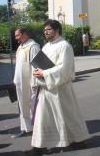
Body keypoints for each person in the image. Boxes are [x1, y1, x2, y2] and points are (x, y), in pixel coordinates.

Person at [30, 20, 88, 155]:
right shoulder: (45, 47)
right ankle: (39, 147)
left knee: (68, 115)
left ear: (57, 30)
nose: (46, 32)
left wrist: (44, 73)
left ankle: (79, 140)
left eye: (49, 29)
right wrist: (37, 72)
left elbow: (65, 69)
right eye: (44, 30)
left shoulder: (64, 46)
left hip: (61, 89)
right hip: (46, 88)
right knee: (42, 117)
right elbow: (41, 64)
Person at [12, 27, 40, 138]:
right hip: (20, 83)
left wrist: (35, 83)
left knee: (32, 106)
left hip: (29, 83)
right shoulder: (20, 47)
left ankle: (36, 129)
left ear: (25, 34)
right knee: (22, 106)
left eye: (17, 35)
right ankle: (26, 128)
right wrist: (15, 79)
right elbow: (18, 65)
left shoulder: (33, 46)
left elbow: (36, 66)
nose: (16, 38)